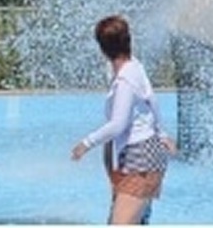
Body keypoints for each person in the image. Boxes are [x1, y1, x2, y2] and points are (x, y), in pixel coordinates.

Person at [71, 15, 176, 225]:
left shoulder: (125, 80)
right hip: (145, 155)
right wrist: (163, 134)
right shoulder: (135, 66)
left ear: (102, 49)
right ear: (129, 41)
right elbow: (152, 100)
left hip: (140, 159)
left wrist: (86, 143)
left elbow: (118, 124)